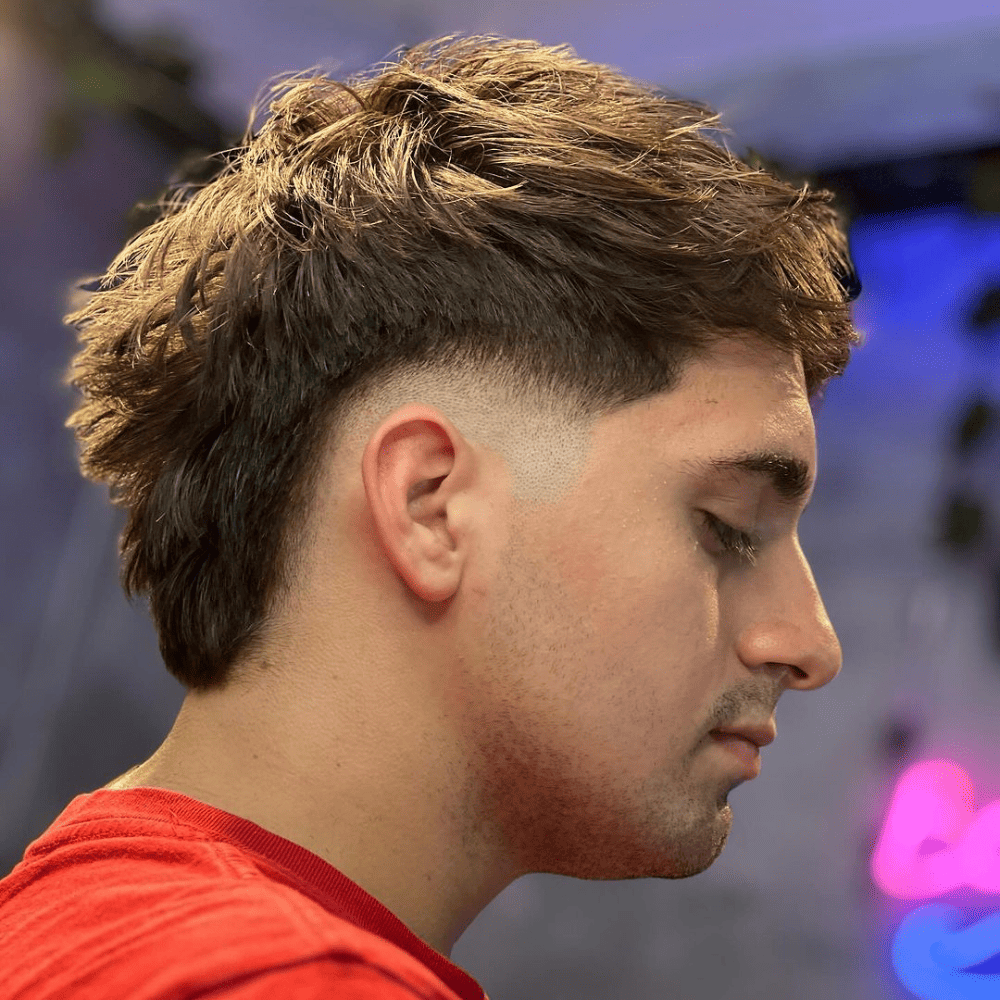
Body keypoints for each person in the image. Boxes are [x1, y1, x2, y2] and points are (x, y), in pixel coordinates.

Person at [0, 32, 861, 1000]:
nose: (807, 641)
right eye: (727, 523)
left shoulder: (83, 932)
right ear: (430, 505)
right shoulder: (285, 982)